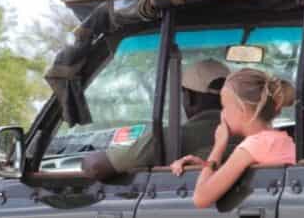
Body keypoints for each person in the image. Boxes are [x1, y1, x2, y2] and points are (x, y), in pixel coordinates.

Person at [81, 59, 230, 181]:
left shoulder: (169, 138)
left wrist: (84, 160)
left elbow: (95, 166)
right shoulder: (243, 136)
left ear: (189, 97)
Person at [170, 68, 296, 209]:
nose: (222, 113)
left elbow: (201, 198)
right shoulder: (282, 139)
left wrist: (219, 145)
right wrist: (204, 165)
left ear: (241, 109)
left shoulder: (253, 146)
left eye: (225, 107)